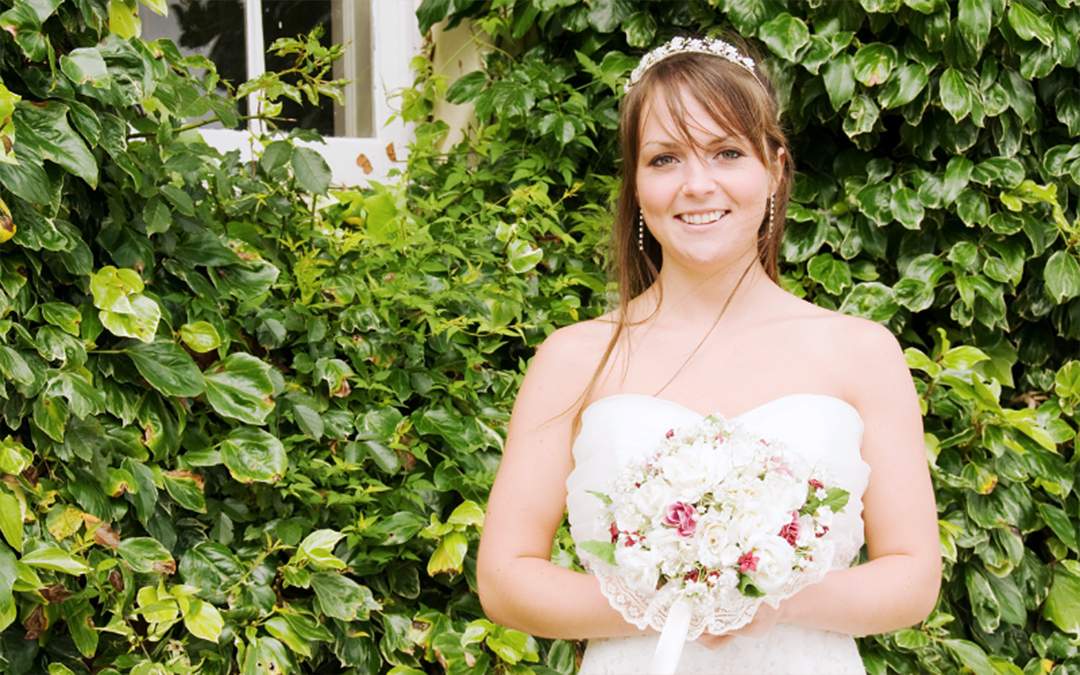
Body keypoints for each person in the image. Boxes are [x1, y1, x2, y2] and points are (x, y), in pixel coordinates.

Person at [476, 34, 941, 674]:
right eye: (665, 159)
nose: (697, 185)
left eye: (726, 153)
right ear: (636, 184)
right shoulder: (573, 359)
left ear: (775, 168)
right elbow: (505, 578)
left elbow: (913, 577)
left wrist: (771, 599)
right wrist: (677, 600)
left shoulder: (862, 352)